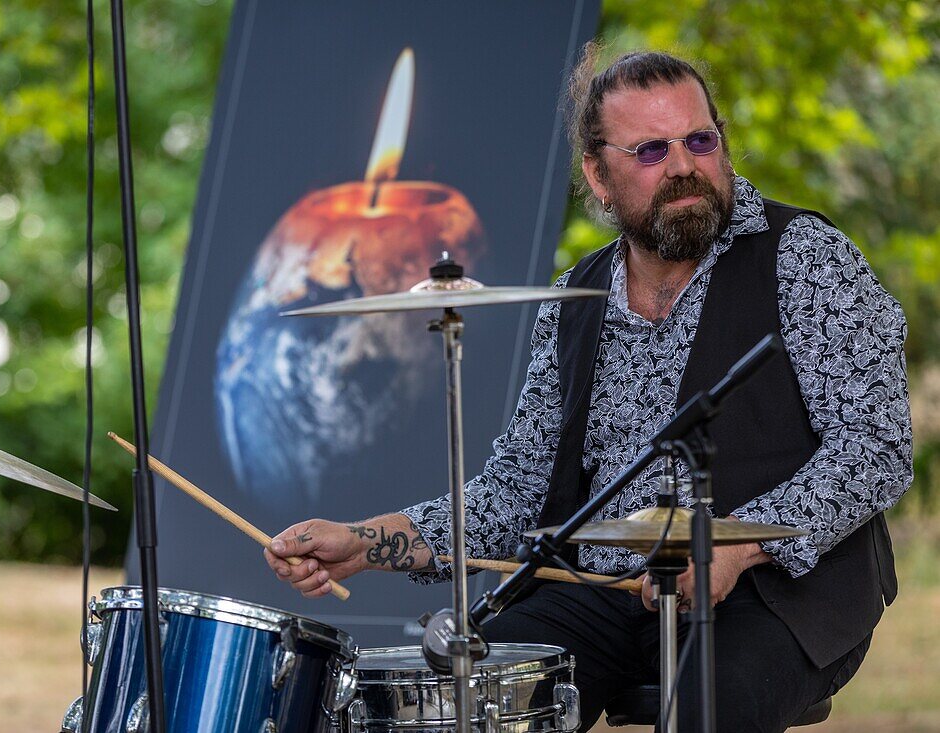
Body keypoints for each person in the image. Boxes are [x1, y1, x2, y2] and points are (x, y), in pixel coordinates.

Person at [263, 46, 912, 732]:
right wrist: (365, 542)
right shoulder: (577, 294)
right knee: (475, 702)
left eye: (700, 140)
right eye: (652, 151)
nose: (686, 165)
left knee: (705, 710)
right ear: (599, 176)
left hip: (774, 595)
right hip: (598, 590)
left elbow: (876, 446)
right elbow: (515, 492)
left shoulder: (805, 256)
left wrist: (741, 547)